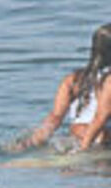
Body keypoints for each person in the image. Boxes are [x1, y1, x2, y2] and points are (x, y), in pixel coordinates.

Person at [9, 22, 111, 153]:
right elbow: (100, 117)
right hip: (102, 138)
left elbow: (55, 118)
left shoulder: (73, 79)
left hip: (77, 133)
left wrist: (30, 142)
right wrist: (83, 149)